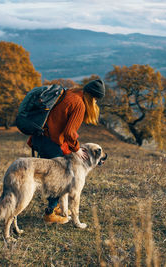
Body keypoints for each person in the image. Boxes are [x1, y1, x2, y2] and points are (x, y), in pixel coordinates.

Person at [27, 79, 105, 224]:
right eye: (96, 100)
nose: (95, 103)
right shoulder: (80, 104)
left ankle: (56, 208)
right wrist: (77, 149)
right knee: (59, 177)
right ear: (92, 97)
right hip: (50, 142)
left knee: (50, 175)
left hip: (40, 137)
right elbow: (69, 132)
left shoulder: (69, 92)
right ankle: (50, 214)